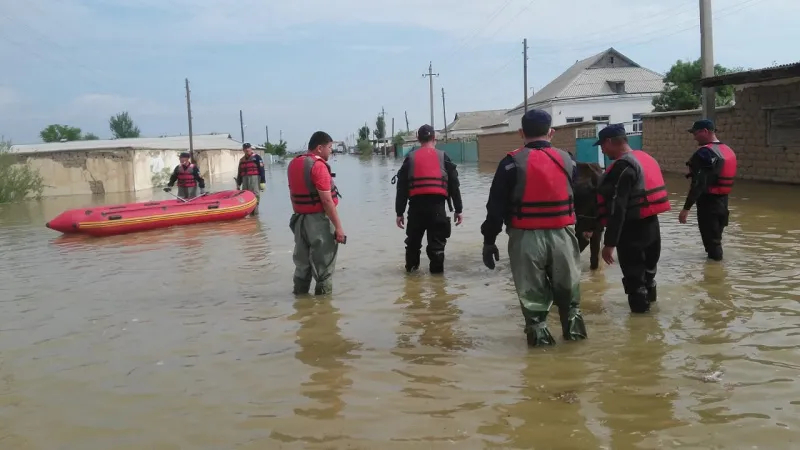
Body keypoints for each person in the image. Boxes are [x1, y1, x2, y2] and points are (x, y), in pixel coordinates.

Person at [480, 109, 587, 347]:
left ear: (521, 133)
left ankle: (540, 357)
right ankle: (576, 351)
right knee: (570, 301)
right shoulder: (569, 160)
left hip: (525, 239)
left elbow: (494, 208)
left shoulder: (509, 164)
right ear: (552, 133)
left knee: (533, 303)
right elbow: (580, 198)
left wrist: (489, 241)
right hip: (564, 235)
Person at [595, 124, 671, 313]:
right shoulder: (646, 158)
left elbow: (618, 208)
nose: (602, 150)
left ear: (610, 142)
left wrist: (609, 243)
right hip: (652, 227)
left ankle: (640, 327)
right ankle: (652, 321)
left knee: (635, 280)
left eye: (602, 146)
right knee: (649, 276)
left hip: (632, 231)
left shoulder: (623, 166)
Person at [394, 124, 464, 274]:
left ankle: (412, 282)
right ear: (434, 138)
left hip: (416, 209)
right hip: (437, 208)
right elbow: (454, 185)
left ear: (418, 139)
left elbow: (401, 188)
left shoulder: (410, 158)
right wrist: (458, 209)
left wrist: (399, 212)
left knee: (413, 246)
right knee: (437, 248)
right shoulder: (444, 157)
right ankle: (438, 286)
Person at [287, 131, 346, 296]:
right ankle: (324, 311)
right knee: (324, 267)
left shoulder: (293, 164)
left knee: (302, 265)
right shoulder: (318, 166)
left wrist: (299, 217)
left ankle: (301, 302)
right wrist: (339, 228)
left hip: (299, 220)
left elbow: (292, 194)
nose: (331, 151)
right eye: (329, 147)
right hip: (319, 222)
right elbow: (327, 202)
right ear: (319, 148)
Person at [679, 119, 737, 261]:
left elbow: (699, 184)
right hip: (723, 204)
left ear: (705, 131)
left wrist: (686, 208)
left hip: (708, 204)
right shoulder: (727, 150)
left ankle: (715, 278)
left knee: (712, 246)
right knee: (716, 240)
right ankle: (716, 272)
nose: (694, 137)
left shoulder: (705, 153)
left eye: (696, 133)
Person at [236, 143, 266, 216]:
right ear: (243, 150)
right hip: (245, 179)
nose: (247, 150)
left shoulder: (257, 157)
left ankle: (255, 213)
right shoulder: (242, 160)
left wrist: (262, 181)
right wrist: (238, 183)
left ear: (251, 149)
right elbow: (239, 172)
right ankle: (248, 213)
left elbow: (262, 170)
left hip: (254, 178)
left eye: (248, 148)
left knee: (255, 194)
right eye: (245, 148)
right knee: (245, 195)